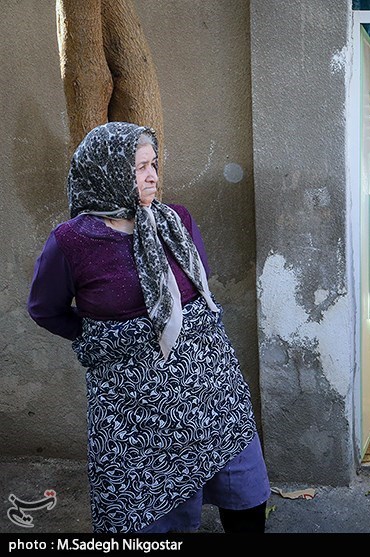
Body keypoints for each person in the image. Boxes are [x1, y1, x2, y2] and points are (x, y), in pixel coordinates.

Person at [27, 122, 270, 533]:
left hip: (210, 391)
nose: (153, 175)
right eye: (140, 168)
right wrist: (108, 341)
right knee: (151, 513)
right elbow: (44, 308)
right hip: (132, 411)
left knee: (244, 491)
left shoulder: (177, 220)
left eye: (153, 164)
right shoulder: (72, 241)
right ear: (108, 173)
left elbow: (199, 293)